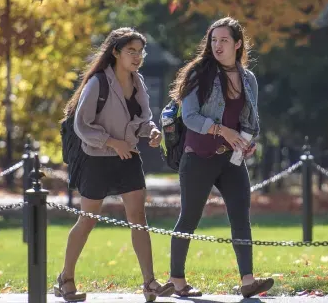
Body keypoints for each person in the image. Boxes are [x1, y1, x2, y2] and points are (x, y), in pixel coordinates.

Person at [55, 28, 172, 302]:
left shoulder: (138, 81)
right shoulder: (98, 83)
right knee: (88, 220)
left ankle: (149, 283)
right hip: (96, 160)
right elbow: (81, 124)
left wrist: (151, 132)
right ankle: (66, 278)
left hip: (128, 158)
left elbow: (144, 119)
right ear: (116, 53)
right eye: (131, 51)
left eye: (140, 52)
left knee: (139, 220)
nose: (137, 57)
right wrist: (111, 141)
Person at [163, 17, 275, 298]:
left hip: (231, 160)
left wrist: (248, 143)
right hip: (198, 156)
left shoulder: (248, 79)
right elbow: (189, 117)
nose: (217, 45)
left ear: (238, 44)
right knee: (188, 218)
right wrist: (221, 130)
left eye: (224, 40)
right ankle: (177, 281)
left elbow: (250, 120)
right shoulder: (197, 74)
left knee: (241, 217)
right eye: (213, 40)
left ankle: (247, 281)